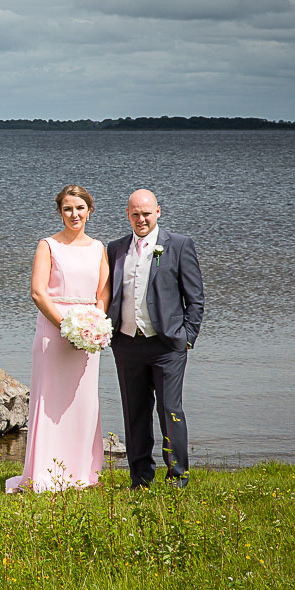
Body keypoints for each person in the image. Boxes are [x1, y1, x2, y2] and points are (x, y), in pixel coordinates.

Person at [6, 185, 110, 493]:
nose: (74, 214)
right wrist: (67, 325)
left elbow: (103, 292)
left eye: (80, 208)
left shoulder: (98, 247)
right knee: (49, 400)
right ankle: (44, 472)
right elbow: (38, 292)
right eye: (68, 209)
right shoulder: (48, 245)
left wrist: (94, 324)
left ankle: (81, 472)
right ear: (60, 212)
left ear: (89, 210)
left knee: (83, 401)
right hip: (54, 333)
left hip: (88, 337)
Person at [108, 188, 204, 489]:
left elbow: (196, 299)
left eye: (146, 213)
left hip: (167, 345)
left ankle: (178, 476)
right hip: (126, 343)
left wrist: (187, 337)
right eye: (135, 214)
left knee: (170, 410)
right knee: (134, 412)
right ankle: (140, 478)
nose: (141, 219)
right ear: (127, 215)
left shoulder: (178, 245)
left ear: (158, 212)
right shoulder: (115, 249)